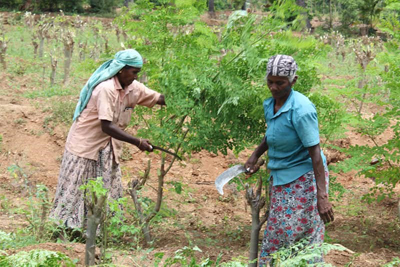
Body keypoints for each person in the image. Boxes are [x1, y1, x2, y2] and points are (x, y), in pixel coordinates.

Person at [50, 49, 165, 234]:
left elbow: (159, 98)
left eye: (138, 72)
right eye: (134, 72)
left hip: (108, 148)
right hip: (86, 146)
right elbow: (107, 126)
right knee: (78, 190)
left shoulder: (133, 88)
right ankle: (65, 233)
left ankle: (95, 233)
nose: (136, 76)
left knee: (105, 190)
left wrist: (188, 97)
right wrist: (138, 142)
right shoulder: (106, 89)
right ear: (121, 69)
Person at [244, 55, 334, 265]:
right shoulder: (272, 104)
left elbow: (316, 155)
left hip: (304, 180)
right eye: (270, 81)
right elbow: (273, 133)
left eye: (280, 83)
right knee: (280, 235)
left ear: (293, 81)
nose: (273, 88)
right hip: (281, 177)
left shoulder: (301, 110)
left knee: (296, 237)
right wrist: (255, 155)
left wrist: (322, 196)